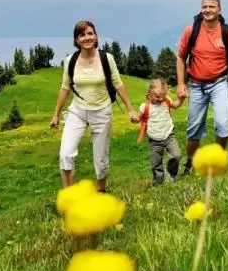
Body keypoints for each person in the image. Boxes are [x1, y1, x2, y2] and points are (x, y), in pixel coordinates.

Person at [50, 20, 138, 192]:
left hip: (101, 111)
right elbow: (65, 87)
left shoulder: (107, 58)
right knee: (65, 154)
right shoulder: (70, 61)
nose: (87, 38)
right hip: (77, 111)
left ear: (96, 36)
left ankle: (101, 192)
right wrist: (56, 115)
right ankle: (69, 196)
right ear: (76, 40)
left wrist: (130, 109)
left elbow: (118, 84)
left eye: (90, 33)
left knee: (101, 161)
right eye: (82, 35)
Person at [176, 0, 228, 174]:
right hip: (196, 85)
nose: (207, 10)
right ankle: (190, 164)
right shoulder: (191, 30)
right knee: (193, 129)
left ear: (219, 10)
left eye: (211, 7)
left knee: (223, 126)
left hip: (219, 83)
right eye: (205, 7)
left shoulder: (227, 32)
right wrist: (181, 84)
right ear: (201, 9)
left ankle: (217, 161)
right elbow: (181, 58)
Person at [136, 78, 184, 185]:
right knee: (155, 163)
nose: (160, 99)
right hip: (154, 140)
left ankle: (171, 174)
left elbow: (175, 105)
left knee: (177, 155)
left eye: (163, 96)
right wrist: (135, 119)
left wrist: (181, 99)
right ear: (150, 94)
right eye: (157, 96)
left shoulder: (166, 100)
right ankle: (158, 182)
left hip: (168, 135)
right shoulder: (145, 107)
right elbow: (139, 118)